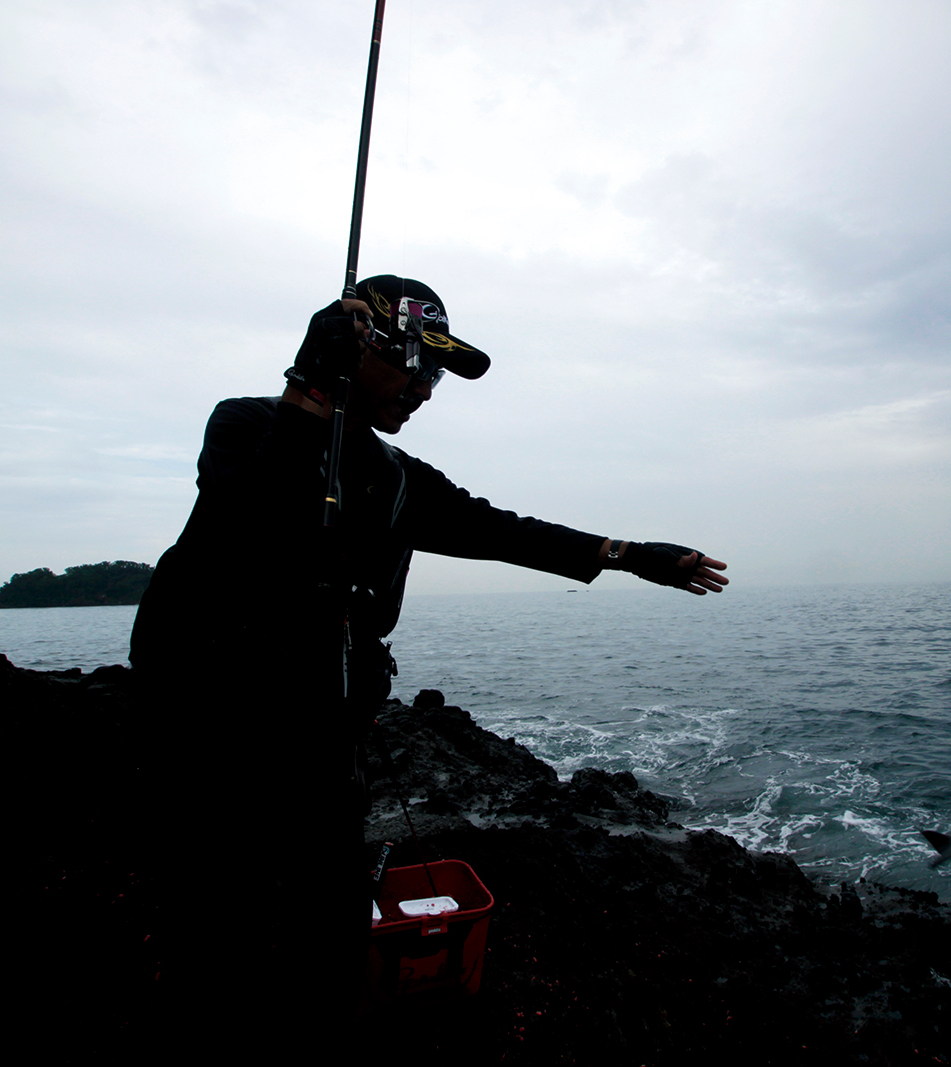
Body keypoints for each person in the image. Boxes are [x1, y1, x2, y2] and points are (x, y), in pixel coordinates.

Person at [127, 275, 726, 1039]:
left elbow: (504, 530)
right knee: (214, 922)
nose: (425, 389)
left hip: (320, 738)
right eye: (415, 364)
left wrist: (628, 553)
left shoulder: (397, 480)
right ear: (357, 347)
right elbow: (238, 522)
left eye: (436, 375)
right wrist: (310, 392)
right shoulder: (247, 426)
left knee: (329, 927)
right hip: (207, 733)